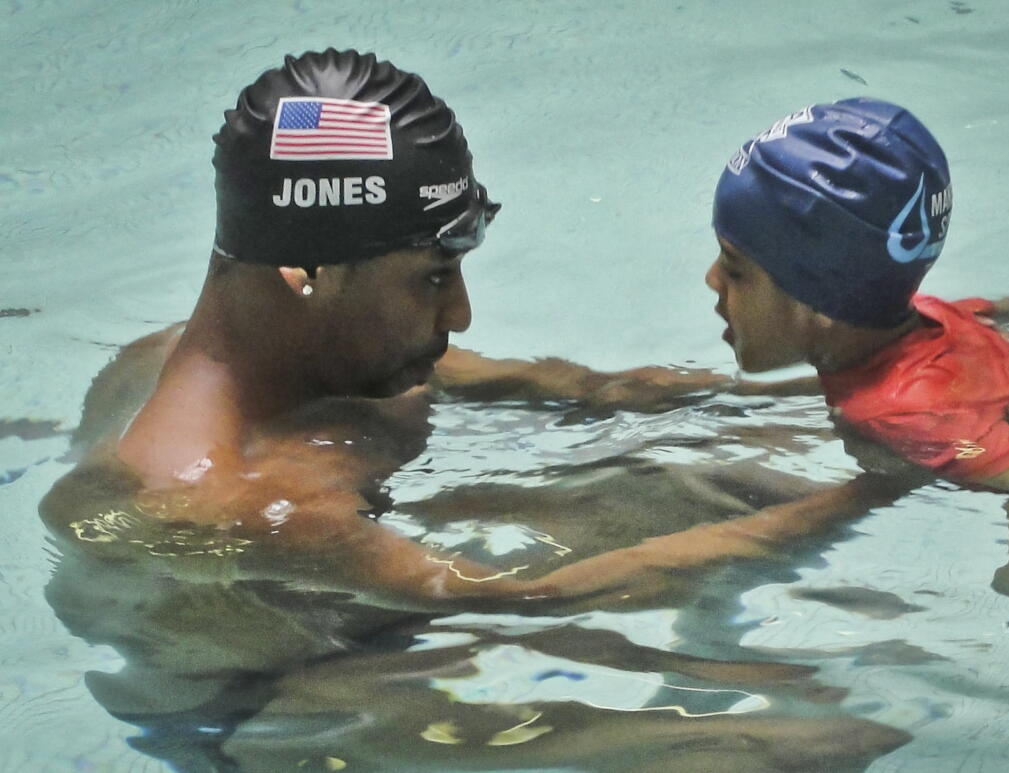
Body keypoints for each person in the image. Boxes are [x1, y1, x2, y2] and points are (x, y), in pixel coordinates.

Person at [39, 50, 915, 770]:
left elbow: (594, 393)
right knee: (773, 751)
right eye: (430, 277)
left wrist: (879, 367)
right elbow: (523, 597)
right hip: (274, 714)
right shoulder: (223, 495)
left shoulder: (285, 342)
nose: (458, 315)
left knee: (705, 482)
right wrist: (874, 488)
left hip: (365, 611)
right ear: (307, 271)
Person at [705, 97, 1009, 596]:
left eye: (734, 268)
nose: (711, 280)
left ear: (819, 295)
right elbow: (986, 314)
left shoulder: (905, 413)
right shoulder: (926, 310)